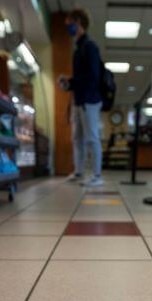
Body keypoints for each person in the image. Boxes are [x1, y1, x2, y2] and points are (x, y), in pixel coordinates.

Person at [58, 8, 103, 187]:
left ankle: (97, 175)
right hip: (79, 100)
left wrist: (72, 80)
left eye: (70, 23)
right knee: (77, 138)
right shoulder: (78, 50)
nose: (68, 26)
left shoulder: (89, 47)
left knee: (91, 137)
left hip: (90, 100)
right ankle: (79, 172)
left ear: (78, 22)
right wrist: (69, 83)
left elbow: (94, 75)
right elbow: (82, 78)